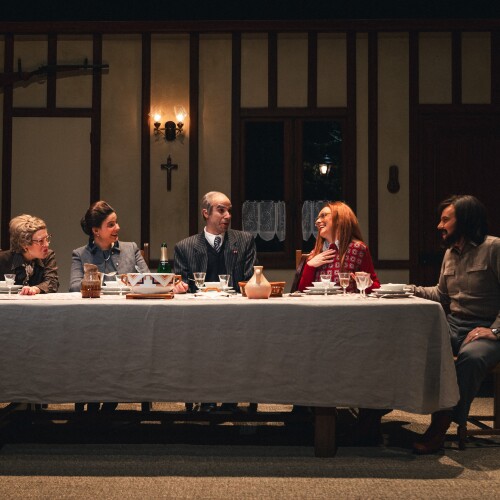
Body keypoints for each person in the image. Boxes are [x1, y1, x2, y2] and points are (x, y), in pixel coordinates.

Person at [407, 195, 500, 454]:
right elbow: (441, 295)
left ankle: (441, 427)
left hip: (486, 329)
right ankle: (374, 417)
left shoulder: (494, 248)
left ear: (465, 220)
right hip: (453, 325)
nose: (439, 225)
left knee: (469, 358)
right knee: (416, 346)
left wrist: (494, 330)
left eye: (445, 219)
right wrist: (405, 290)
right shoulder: (450, 252)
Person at [174, 191, 257, 412]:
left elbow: (248, 280)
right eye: (221, 210)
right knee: (201, 346)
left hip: (236, 317)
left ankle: (231, 398)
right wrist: (179, 288)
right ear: (206, 213)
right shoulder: (185, 247)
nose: (227, 215)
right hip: (199, 320)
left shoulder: (244, 241)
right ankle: (205, 398)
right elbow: (182, 285)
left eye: (229, 210)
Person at [69, 200, 188, 293]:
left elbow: (149, 280)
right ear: (96, 230)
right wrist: (99, 280)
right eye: (111, 225)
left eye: (116, 222)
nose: (118, 227)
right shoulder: (80, 254)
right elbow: (74, 288)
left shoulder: (131, 248)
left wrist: (173, 286)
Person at [296, 201, 380, 293]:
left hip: (347, 306)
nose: (317, 222)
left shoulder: (357, 248)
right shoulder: (315, 252)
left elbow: (376, 287)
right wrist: (309, 266)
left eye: (323, 215)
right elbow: (302, 291)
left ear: (340, 219)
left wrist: (366, 282)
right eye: (318, 218)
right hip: (319, 305)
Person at [0, 214, 59, 295]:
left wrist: (36, 289)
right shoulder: (3, 259)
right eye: (40, 241)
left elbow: (52, 283)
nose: (46, 245)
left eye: (47, 238)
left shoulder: (48, 256)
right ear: (24, 244)